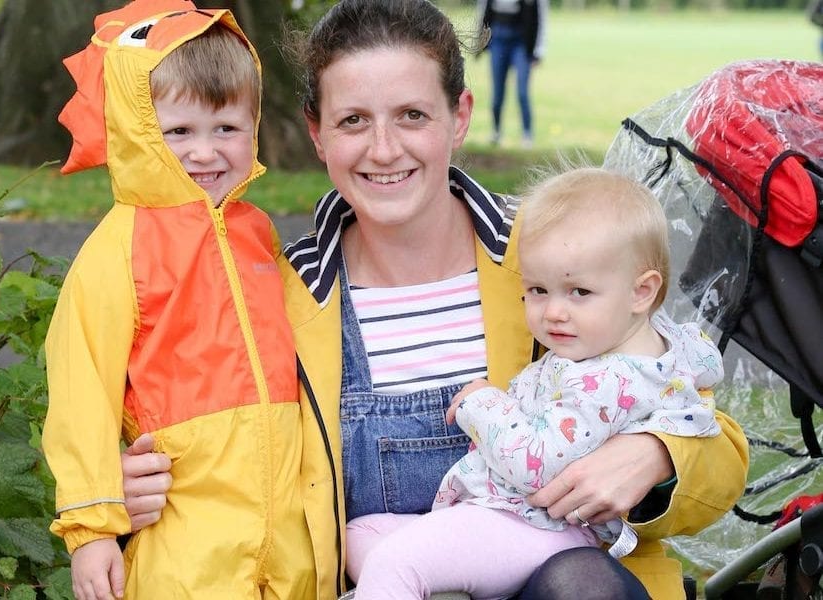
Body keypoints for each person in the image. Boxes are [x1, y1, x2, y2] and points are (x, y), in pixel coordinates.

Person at [118, 1, 750, 599]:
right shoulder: (271, 296)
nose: (384, 149)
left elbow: (711, 439)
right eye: (353, 121)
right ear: (316, 133)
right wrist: (127, 487)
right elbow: (210, 451)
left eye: (412, 115)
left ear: (461, 114)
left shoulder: (557, 256)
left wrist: (656, 456)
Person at [347, 167, 724, 599]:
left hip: (535, 525)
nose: (553, 312)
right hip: (503, 515)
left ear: (641, 292)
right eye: (538, 290)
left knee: (396, 563)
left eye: (578, 292)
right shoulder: (656, 343)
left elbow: (536, 465)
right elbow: (702, 372)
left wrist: (482, 402)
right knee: (364, 533)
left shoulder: (608, 380)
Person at [42, 1, 312, 598]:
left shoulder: (257, 231)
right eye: (179, 132)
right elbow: (80, 384)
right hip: (184, 538)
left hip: (289, 536)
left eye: (228, 128)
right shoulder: (120, 248)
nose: (207, 152)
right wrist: (91, 529)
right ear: (139, 131)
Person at [477, 0, 547, 148]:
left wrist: (539, 50)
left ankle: (527, 134)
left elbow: (541, 15)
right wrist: (480, 41)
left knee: (522, 92)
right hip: (498, 39)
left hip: (521, 41)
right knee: (497, 94)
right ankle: (496, 131)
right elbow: (483, 9)